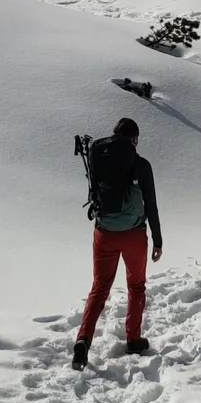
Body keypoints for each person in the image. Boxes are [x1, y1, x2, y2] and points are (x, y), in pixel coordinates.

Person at [73, 116, 163, 368]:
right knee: (136, 286)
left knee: (99, 287)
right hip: (134, 235)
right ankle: (133, 339)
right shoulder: (141, 165)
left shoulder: (98, 157)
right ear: (134, 139)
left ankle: (83, 339)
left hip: (104, 232)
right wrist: (157, 239)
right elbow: (151, 205)